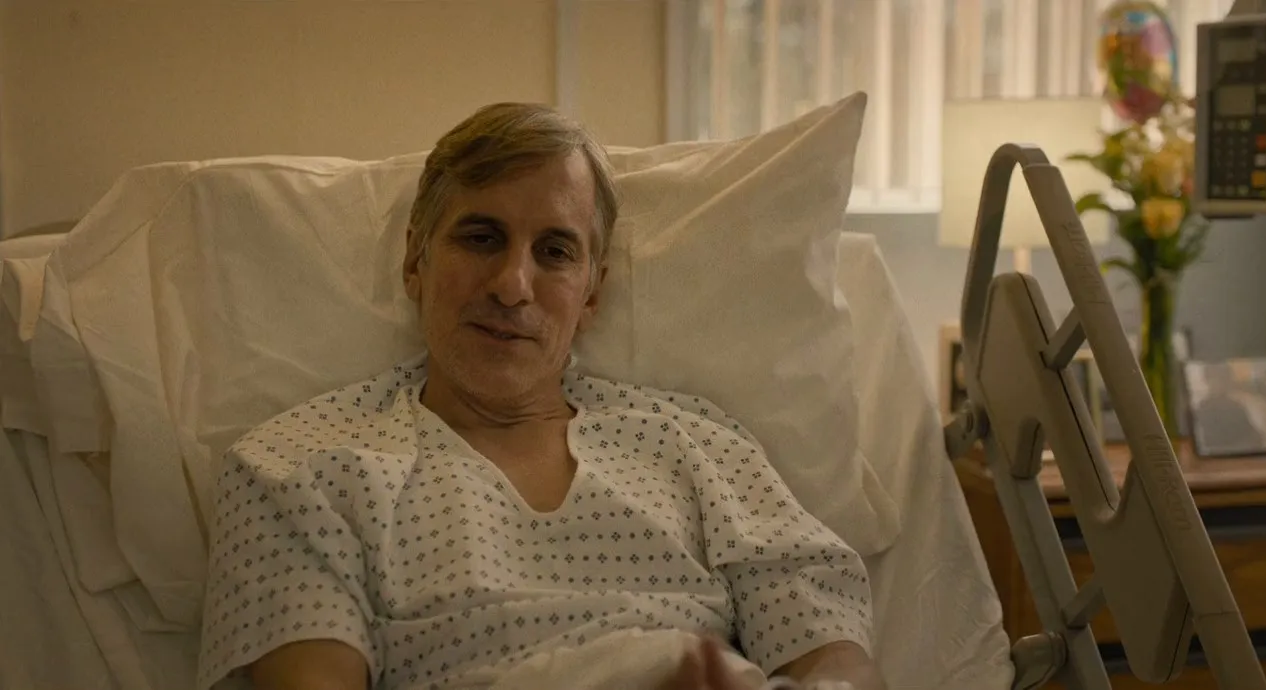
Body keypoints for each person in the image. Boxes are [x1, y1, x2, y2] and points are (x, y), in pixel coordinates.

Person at [197, 103, 884, 690]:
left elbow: (830, 653)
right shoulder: (299, 468)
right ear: (414, 261)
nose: (512, 286)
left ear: (592, 293)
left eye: (554, 251)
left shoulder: (700, 447)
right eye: (481, 238)